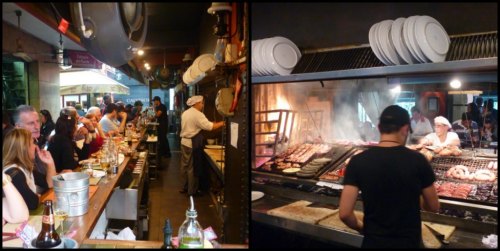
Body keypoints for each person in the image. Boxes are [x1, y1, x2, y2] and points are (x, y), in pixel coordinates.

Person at [339, 105, 439, 248]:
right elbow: (433, 206)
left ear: (379, 128)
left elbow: (344, 213)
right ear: (405, 129)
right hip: (408, 243)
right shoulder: (418, 160)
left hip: (373, 242)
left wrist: (362, 228)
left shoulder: (357, 161)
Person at [179, 95, 225, 196]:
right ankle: (192, 191)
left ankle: (184, 187)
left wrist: (210, 123)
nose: (203, 105)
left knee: (185, 166)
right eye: (202, 103)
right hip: (192, 143)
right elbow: (210, 127)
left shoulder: (186, 113)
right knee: (192, 168)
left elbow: (198, 124)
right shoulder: (198, 114)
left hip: (184, 142)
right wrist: (223, 123)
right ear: (197, 103)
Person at [3, 128, 57, 210]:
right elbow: (32, 204)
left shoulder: (23, 167)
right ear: (24, 148)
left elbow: (49, 184)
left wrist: (50, 163)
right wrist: (36, 197)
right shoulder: (14, 173)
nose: (35, 146)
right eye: (32, 143)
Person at [13, 105, 55, 194]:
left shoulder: (36, 142)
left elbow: (47, 182)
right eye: (31, 123)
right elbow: (46, 183)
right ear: (18, 127)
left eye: (38, 121)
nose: (37, 127)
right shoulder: (17, 153)